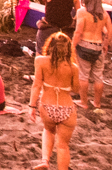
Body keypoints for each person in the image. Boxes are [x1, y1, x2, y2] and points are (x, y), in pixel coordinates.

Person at [31, 31, 81, 170]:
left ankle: (45, 160)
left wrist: (31, 106)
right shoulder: (73, 67)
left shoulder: (40, 61)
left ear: (50, 46)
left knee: (48, 130)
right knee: (63, 146)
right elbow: (76, 89)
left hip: (47, 106)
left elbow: (36, 85)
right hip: (67, 109)